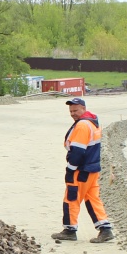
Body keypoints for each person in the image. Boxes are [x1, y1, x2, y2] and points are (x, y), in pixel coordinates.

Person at [53, 97, 114, 243]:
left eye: (75, 110)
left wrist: (70, 169)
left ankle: (69, 230)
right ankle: (105, 229)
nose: (73, 113)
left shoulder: (82, 126)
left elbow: (78, 152)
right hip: (92, 169)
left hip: (81, 170)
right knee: (93, 198)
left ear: (83, 109)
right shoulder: (93, 123)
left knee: (71, 198)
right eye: (71, 111)